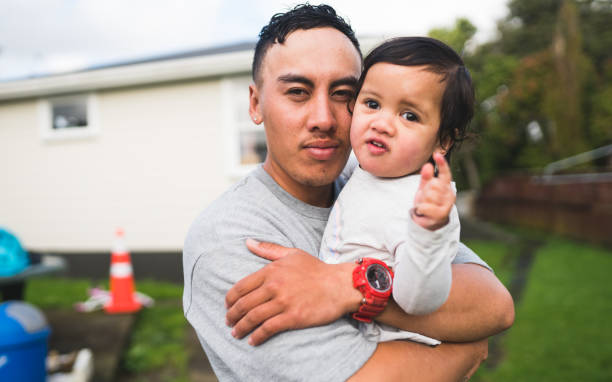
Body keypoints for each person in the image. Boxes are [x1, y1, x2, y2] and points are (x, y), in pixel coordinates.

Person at [183, 4, 514, 381]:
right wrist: (465, 348)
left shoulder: (380, 182)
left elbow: (494, 306)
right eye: (297, 92)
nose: (324, 118)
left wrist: (348, 285)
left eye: (344, 94)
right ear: (256, 104)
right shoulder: (228, 240)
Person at [318, 36, 474, 346]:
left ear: (443, 139)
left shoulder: (422, 207)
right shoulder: (367, 171)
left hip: (389, 352)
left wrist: (427, 234)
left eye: (409, 116)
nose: (382, 124)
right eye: (372, 104)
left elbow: (418, 302)